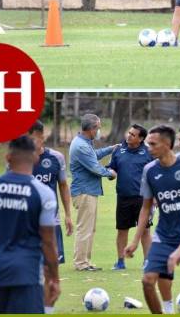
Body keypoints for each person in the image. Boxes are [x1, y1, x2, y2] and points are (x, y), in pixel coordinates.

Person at [124, 125, 180, 314]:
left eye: (152, 143)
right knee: (148, 281)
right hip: (164, 237)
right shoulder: (149, 170)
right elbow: (146, 207)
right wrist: (134, 241)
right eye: (148, 143)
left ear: (167, 144)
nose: (148, 147)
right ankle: (166, 311)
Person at [0, 136, 60, 314]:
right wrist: (54, 278)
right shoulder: (43, 193)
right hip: (26, 273)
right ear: (35, 158)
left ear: (8, 157)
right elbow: (48, 241)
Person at [69, 114, 118, 271]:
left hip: (89, 191)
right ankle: (81, 263)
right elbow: (95, 167)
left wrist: (110, 149)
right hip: (84, 191)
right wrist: (110, 173)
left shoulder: (84, 143)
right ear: (91, 129)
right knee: (85, 228)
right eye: (98, 127)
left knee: (90, 228)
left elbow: (93, 156)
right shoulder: (81, 146)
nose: (99, 130)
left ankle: (86, 261)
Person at [107, 124, 153, 270]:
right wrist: (110, 172)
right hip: (123, 197)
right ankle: (120, 262)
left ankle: (147, 261)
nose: (129, 136)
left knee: (145, 230)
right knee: (122, 229)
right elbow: (112, 167)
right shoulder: (119, 150)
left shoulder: (148, 152)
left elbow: (154, 174)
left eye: (133, 135)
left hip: (143, 199)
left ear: (140, 139)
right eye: (129, 133)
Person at [28, 120, 73, 265]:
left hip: (51, 220)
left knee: (51, 264)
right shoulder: (19, 159)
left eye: (31, 138)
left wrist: (68, 215)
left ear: (41, 137)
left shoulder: (56, 157)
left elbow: (63, 185)